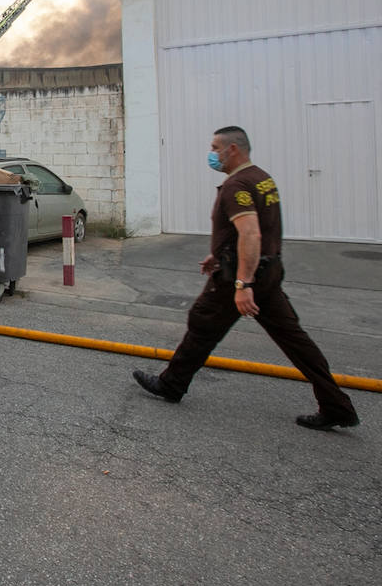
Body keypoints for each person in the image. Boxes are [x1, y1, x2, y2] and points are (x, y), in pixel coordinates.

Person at [132, 126, 360, 431]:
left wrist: (243, 284)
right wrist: (218, 254)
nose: (212, 154)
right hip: (268, 272)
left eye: (215, 148)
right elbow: (258, 230)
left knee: (202, 324)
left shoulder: (236, 185)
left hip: (239, 278)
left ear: (233, 149)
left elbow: (250, 233)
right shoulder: (262, 178)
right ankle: (336, 405)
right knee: (295, 340)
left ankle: (171, 384)